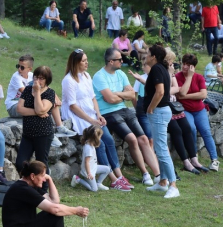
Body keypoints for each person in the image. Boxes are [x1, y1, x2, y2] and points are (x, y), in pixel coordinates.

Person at [61, 49, 132, 192]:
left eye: (87, 60)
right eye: (84, 61)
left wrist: (98, 115)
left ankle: (119, 175)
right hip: (79, 117)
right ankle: (113, 180)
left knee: (110, 141)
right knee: (99, 144)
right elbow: (73, 106)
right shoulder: (69, 80)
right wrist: (90, 120)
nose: (87, 63)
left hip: (92, 115)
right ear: (76, 63)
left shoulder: (86, 76)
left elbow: (93, 97)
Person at [93, 47, 160, 184]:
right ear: (111, 61)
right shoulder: (99, 76)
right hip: (109, 113)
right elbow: (109, 100)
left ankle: (158, 174)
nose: (122, 61)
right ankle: (145, 173)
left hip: (124, 110)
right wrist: (122, 95)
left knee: (143, 138)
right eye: (119, 59)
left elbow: (131, 95)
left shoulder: (121, 74)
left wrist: (116, 94)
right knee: (132, 139)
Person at [2, 160, 89, 227]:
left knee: (55, 211)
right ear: (33, 176)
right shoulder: (23, 189)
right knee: (55, 213)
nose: (44, 179)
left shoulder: (29, 185)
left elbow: (55, 201)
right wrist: (76, 210)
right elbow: (55, 209)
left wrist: (49, 180)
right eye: (42, 176)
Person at [143, 45, 180, 198]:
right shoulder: (161, 68)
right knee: (160, 148)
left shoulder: (157, 69)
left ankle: (173, 185)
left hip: (158, 112)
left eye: (148, 53)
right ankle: (163, 182)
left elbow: (160, 92)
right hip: (161, 112)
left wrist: (150, 108)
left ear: (153, 57)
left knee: (162, 150)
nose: (145, 55)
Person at [165, 48, 209, 175]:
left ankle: (194, 159)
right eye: (171, 61)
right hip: (165, 108)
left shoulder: (173, 73)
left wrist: (176, 88)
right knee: (178, 130)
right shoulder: (167, 73)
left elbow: (199, 94)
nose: (175, 64)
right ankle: (186, 162)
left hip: (175, 107)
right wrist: (174, 78)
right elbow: (171, 91)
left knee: (187, 128)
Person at [175, 53, 220, 171]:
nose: (185, 67)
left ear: (193, 67)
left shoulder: (199, 77)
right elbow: (181, 93)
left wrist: (184, 96)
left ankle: (214, 160)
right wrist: (189, 78)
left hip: (199, 109)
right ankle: (193, 156)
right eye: (184, 64)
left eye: (188, 65)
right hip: (185, 110)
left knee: (206, 131)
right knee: (191, 128)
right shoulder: (177, 77)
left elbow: (203, 94)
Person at [15, 66, 56, 192]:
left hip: (43, 134)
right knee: (20, 162)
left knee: (41, 163)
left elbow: (41, 108)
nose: (38, 81)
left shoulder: (50, 93)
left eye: (41, 78)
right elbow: (20, 109)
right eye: (36, 77)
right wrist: (38, 112)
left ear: (47, 80)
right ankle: (27, 185)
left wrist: (37, 92)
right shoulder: (27, 89)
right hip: (28, 134)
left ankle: (43, 190)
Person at [71, 126, 111, 192]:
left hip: (93, 167)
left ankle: (98, 183)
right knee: (94, 189)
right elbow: (87, 162)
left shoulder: (89, 143)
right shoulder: (88, 148)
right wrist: (89, 173)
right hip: (88, 171)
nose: (100, 138)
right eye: (100, 136)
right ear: (96, 137)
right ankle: (77, 179)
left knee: (107, 169)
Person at [128, 60, 153, 148]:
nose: (142, 67)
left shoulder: (156, 77)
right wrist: (137, 107)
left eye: (144, 65)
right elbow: (133, 95)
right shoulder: (140, 78)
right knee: (149, 135)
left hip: (154, 110)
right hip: (142, 110)